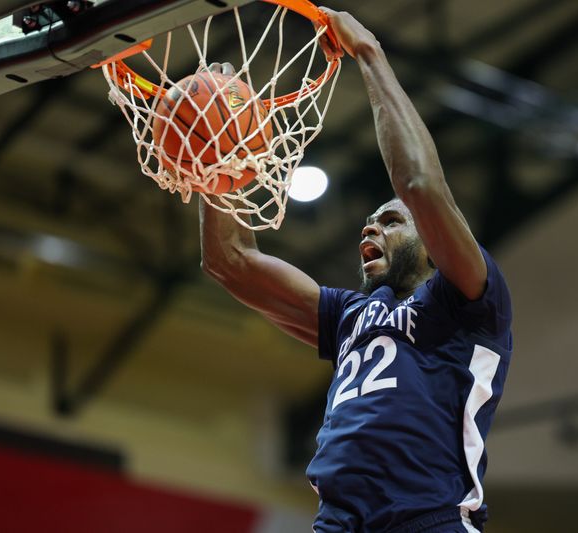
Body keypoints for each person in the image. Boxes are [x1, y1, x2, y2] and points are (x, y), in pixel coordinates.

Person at [199, 7, 513, 532]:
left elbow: (419, 186)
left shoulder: (470, 301)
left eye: (389, 222)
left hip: (428, 521)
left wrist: (369, 52)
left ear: (434, 244)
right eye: (368, 223)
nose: (370, 229)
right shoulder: (351, 314)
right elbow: (230, 262)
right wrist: (216, 157)